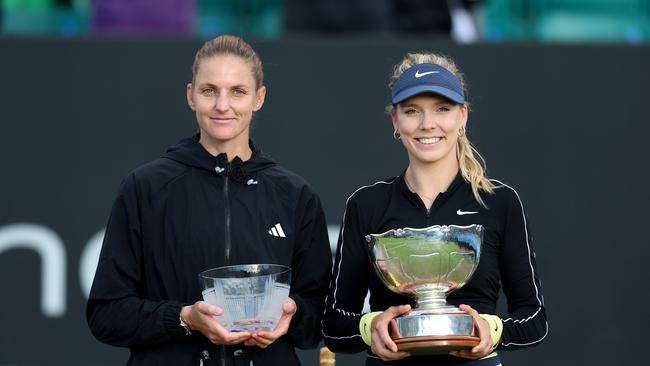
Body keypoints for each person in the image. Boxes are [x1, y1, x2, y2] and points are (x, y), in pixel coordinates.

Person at [87, 35, 332, 366]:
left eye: (237, 91)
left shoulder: (294, 195)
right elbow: (106, 314)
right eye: (209, 90)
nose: (222, 105)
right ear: (191, 95)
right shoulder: (145, 188)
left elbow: (320, 316)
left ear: (259, 98)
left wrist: (294, 314)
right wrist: (184, 318)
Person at [322, 52, 547, 365]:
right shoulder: (366, 204)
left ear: (463, 116)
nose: (428, 125)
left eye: (442, 109)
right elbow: (333, 325)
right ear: (395, 121)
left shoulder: (499, 201)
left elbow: (534, 319)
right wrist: (372, 326)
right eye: (412, 111)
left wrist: (491, 329)